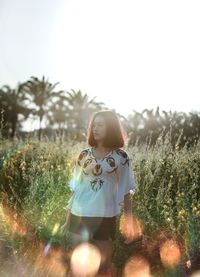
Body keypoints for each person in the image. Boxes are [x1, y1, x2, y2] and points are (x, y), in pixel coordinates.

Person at [62, 110, 137, 276]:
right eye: (94, 125)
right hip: (79, 213)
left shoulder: (121, 157)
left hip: (105, 215)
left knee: (103, 266)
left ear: (110, 128)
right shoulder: (83, 155)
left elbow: (126, 192)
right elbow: (76, 189)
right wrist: (68, 219)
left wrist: (129, 222)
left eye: (100, 125)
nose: (95, 129)